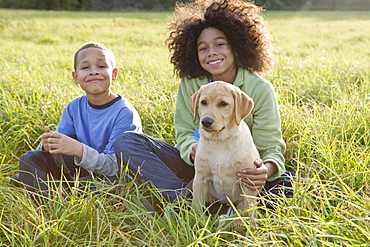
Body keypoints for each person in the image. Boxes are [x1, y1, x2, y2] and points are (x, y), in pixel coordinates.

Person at [114, 0, 297, 210]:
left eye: (220, 44)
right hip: (201, 167)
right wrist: (191, 149)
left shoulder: (260, 89)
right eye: (203, 48)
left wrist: (264, 171)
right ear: (194, 53)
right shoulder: (191, 85)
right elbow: (183, 132)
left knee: (300, 186)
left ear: (236, 46)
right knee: (127, 142)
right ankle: (185, 197)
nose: (211, 52)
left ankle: (212, 206)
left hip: (242, 174)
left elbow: (271, 146)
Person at [13, 42, 142, 202]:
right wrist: (49, 145)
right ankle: (57, 197)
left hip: (112, 181)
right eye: (85, 68)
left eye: (101, 66)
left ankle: (63, 197)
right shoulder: (74, 107)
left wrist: (79, 150)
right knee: (30, 158)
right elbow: (61, 149)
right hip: (81, 172)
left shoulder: (123, 112)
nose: (94, 72)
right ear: (76, 77)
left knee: (109, 190)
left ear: (114, 73)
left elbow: (115, 168)